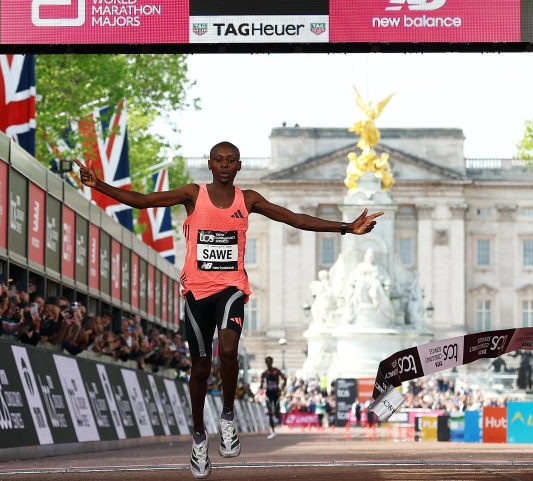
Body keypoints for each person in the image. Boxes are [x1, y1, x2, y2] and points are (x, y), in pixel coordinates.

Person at [75, 141, 382, 479]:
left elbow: (294, 218)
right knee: (200, 367)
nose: (224, 165)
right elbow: (143, 201)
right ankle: (198, 436)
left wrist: (346, 228)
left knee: (228, 350)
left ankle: (227, 416)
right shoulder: (193, 194)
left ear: (238, 166)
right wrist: (98, 185)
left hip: (231, 288)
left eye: (230, 160)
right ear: (210, 164)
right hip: (196, 292)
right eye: (218, 160)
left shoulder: (247, 199)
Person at [259, 356, 286, 440]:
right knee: (270, 412)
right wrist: (261, 388)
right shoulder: (264, 373)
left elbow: (285, 379)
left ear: (272, 362)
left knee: (276, 411)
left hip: (276, 394)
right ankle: (273, 431)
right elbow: (261, 385)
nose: (268, 363)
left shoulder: (276, 371)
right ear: (265, 363)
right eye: (267, 362)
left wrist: (281, 389)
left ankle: (277, 419)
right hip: (269, 394)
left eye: (269, 361)